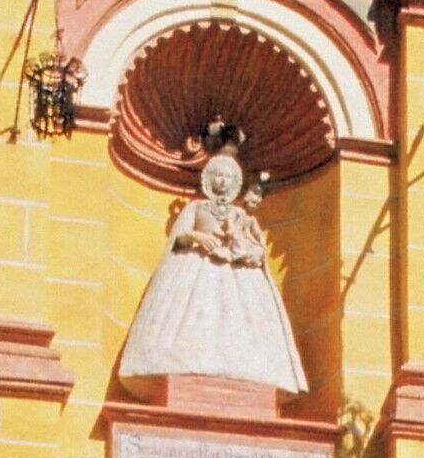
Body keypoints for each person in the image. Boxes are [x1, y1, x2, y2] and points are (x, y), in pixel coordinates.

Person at [114, 122, 305, 393]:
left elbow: (258, 250)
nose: (222, 181)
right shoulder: (196, 208)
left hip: (238, 274)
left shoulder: (241, 216)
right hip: (193, 271)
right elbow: (177, 240)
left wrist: (241, 247)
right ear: (208, 177)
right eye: (218, 174)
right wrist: (196, 238)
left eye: (228, 177)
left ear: (236, 182)